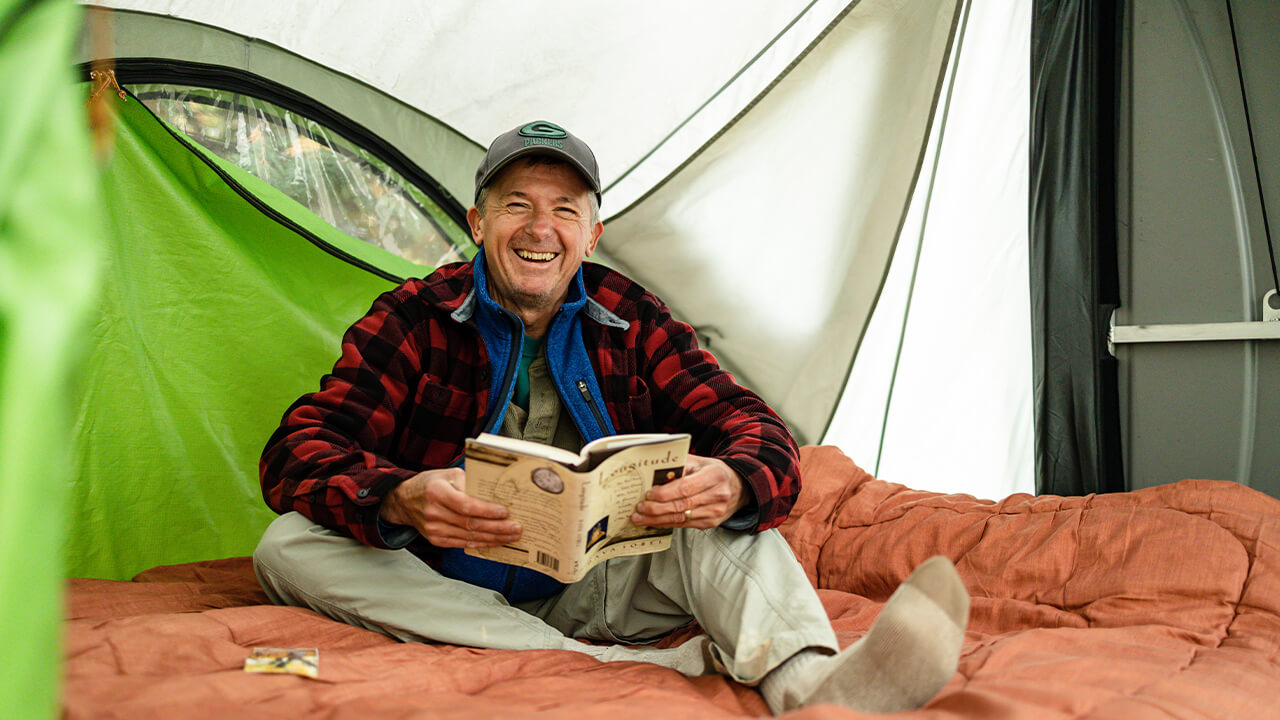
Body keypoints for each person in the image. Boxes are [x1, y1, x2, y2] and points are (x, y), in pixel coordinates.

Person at [253, 120, 969, 714]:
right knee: (284, 546)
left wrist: (733, 481)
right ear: (478, 222)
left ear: (592, 235)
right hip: (436, 586)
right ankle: (587, 664)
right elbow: (296, 452)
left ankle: (817, 688)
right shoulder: (414, 317)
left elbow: (759, 428)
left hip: (601, 589)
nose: (541, 229)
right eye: (516, 205)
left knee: (721, 513)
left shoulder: (633, 318)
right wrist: (402, 498)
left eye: (565, 210)